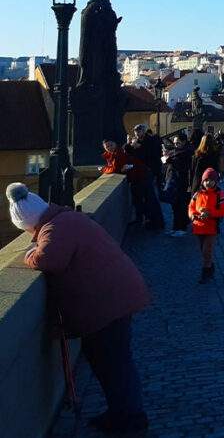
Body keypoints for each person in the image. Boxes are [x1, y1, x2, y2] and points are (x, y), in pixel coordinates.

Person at [7, 183, 149, 433]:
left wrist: (30, 253)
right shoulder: (65, 218)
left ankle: (131, 419)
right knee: (113, 362)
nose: (31, 234)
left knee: (113, 364)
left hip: (108, 304)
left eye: (28, 229)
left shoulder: (54, 228)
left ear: (29, 221)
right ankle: (123, 412)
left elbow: (47, 259)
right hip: (114, 297)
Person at [101, 139, 164, 230]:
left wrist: (103, 169)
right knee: (142, 200)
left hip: (141, 177)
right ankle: (147, 221)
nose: (109, 148)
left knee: (147, 200)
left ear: (115, 144)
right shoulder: (114, 154)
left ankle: (152, 222)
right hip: (138, 177)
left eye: (110, 145)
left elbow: (114, 169)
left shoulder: (119, 153)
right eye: (107, 147)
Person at [188, 168, 224, 284]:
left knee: (207, 250)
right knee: (203, 250)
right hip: (199, 226)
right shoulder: (197, 194)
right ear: (202, 181)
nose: (209, 183)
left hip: (212, 227)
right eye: (206, 180)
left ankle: (205, 272)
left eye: (211, 180)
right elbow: (191, 207)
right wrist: (193, 216)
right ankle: (210, 266)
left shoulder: (219, 194)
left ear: (216, 182)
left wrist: (210, 213)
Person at [161, 134, 193, 236]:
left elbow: (182, 167)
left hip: (181, 183)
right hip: (174, 181)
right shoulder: (177, 152)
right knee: (175, 206)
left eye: (177, 143)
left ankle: (182, 228)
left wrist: (169, 159)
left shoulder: (187, 152)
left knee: (181, 206)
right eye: (174, 143)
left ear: (184, 142)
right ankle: (175, 227)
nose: (175, 145)